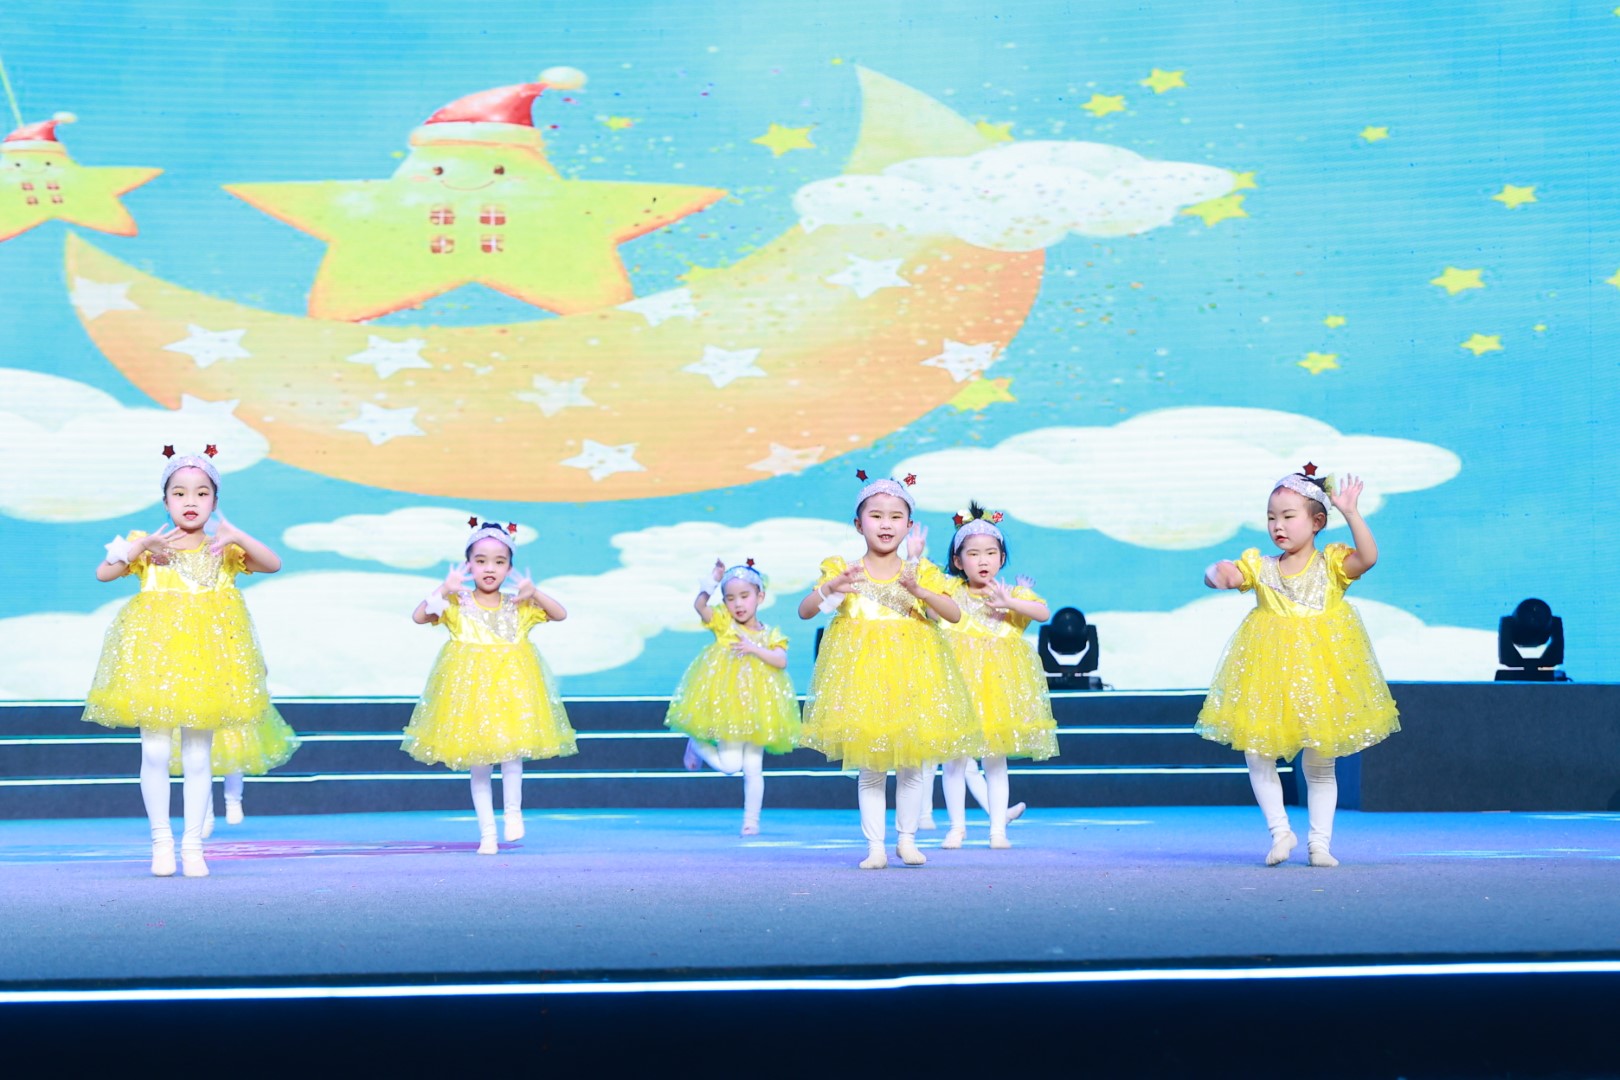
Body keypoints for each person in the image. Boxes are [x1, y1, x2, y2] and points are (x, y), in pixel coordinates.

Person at [84, 445, 284, 878]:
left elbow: (273, 563)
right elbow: (104, 572)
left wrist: (237, 536)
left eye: (201, 493)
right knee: (155, 752)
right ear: (165, 501)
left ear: (214, 501)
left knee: (197, 757)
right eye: (179, 493)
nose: (190, 501)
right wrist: (141, 545)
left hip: (207, 667)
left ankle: (193, 846)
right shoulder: (148, 545)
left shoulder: (224, 549)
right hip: (156, 663)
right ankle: (161, 841)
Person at [1196, 465, 1400, 867]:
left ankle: (1319, 844)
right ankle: (1280, 832)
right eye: (1271, 517)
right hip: (1269, 676)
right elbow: (1227, 574)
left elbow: (1368, 558)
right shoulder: (1261, 566)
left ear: (1317, 521)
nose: (1278, 525)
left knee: (1320, 762)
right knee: (1258, 753)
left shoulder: (1332, 565)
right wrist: (1216, 573)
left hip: (1319, 675)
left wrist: (1351, 512)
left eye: (1289, 516)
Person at [797, 471, 978, 869]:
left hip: (913, 678)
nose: (886, 524)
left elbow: (952, 614)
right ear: (858, 523)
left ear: (909, 525)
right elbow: (806, 611)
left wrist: (919, 590)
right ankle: (875, 847)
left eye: (896, 516)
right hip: (862, 682)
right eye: (876, 515)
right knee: (872, 768)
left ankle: (906, 840)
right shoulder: (843, 570)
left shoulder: (920, 571)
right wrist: (831, 588)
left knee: (912, 766)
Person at [403, 520, 575, 855]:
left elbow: (560, 614)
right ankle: (487, 834)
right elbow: (419, 616)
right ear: (469, 565)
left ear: (509, 567)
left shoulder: (519, 604)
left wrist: (535, 592)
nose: (489, 568)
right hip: (472, 699)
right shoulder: (457, 603)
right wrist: (443, 588)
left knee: (512, 757)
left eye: (499, 561)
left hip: (512, 696)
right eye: (480, 561)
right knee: (479, 767)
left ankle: (513, 813)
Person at [936, 502, 1057, 850]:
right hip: (958, 686)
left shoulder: (1014, 595)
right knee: (954, 761)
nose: (983, 560)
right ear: (958, 561)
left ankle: (997, 830)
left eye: (990, 552)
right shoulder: (951, 592)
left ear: (1002, 558)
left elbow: (1043, 613)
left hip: (1000, 691)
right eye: (973, 554)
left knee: (995, 761)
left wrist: (1010, 603)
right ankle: (956, 828)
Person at [667, 559, 800, 835]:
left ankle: (751, 822)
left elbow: (780, 660)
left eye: (744, 596)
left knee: (754, 767)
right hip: (731, 708)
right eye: (730, 598)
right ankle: (697, 744)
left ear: (759, 597)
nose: (738, 604)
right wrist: (711, 582)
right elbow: (700, 607)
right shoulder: (724, 624)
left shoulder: (770, 634)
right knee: (730, 766)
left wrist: (754, 648)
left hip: (759, 710)